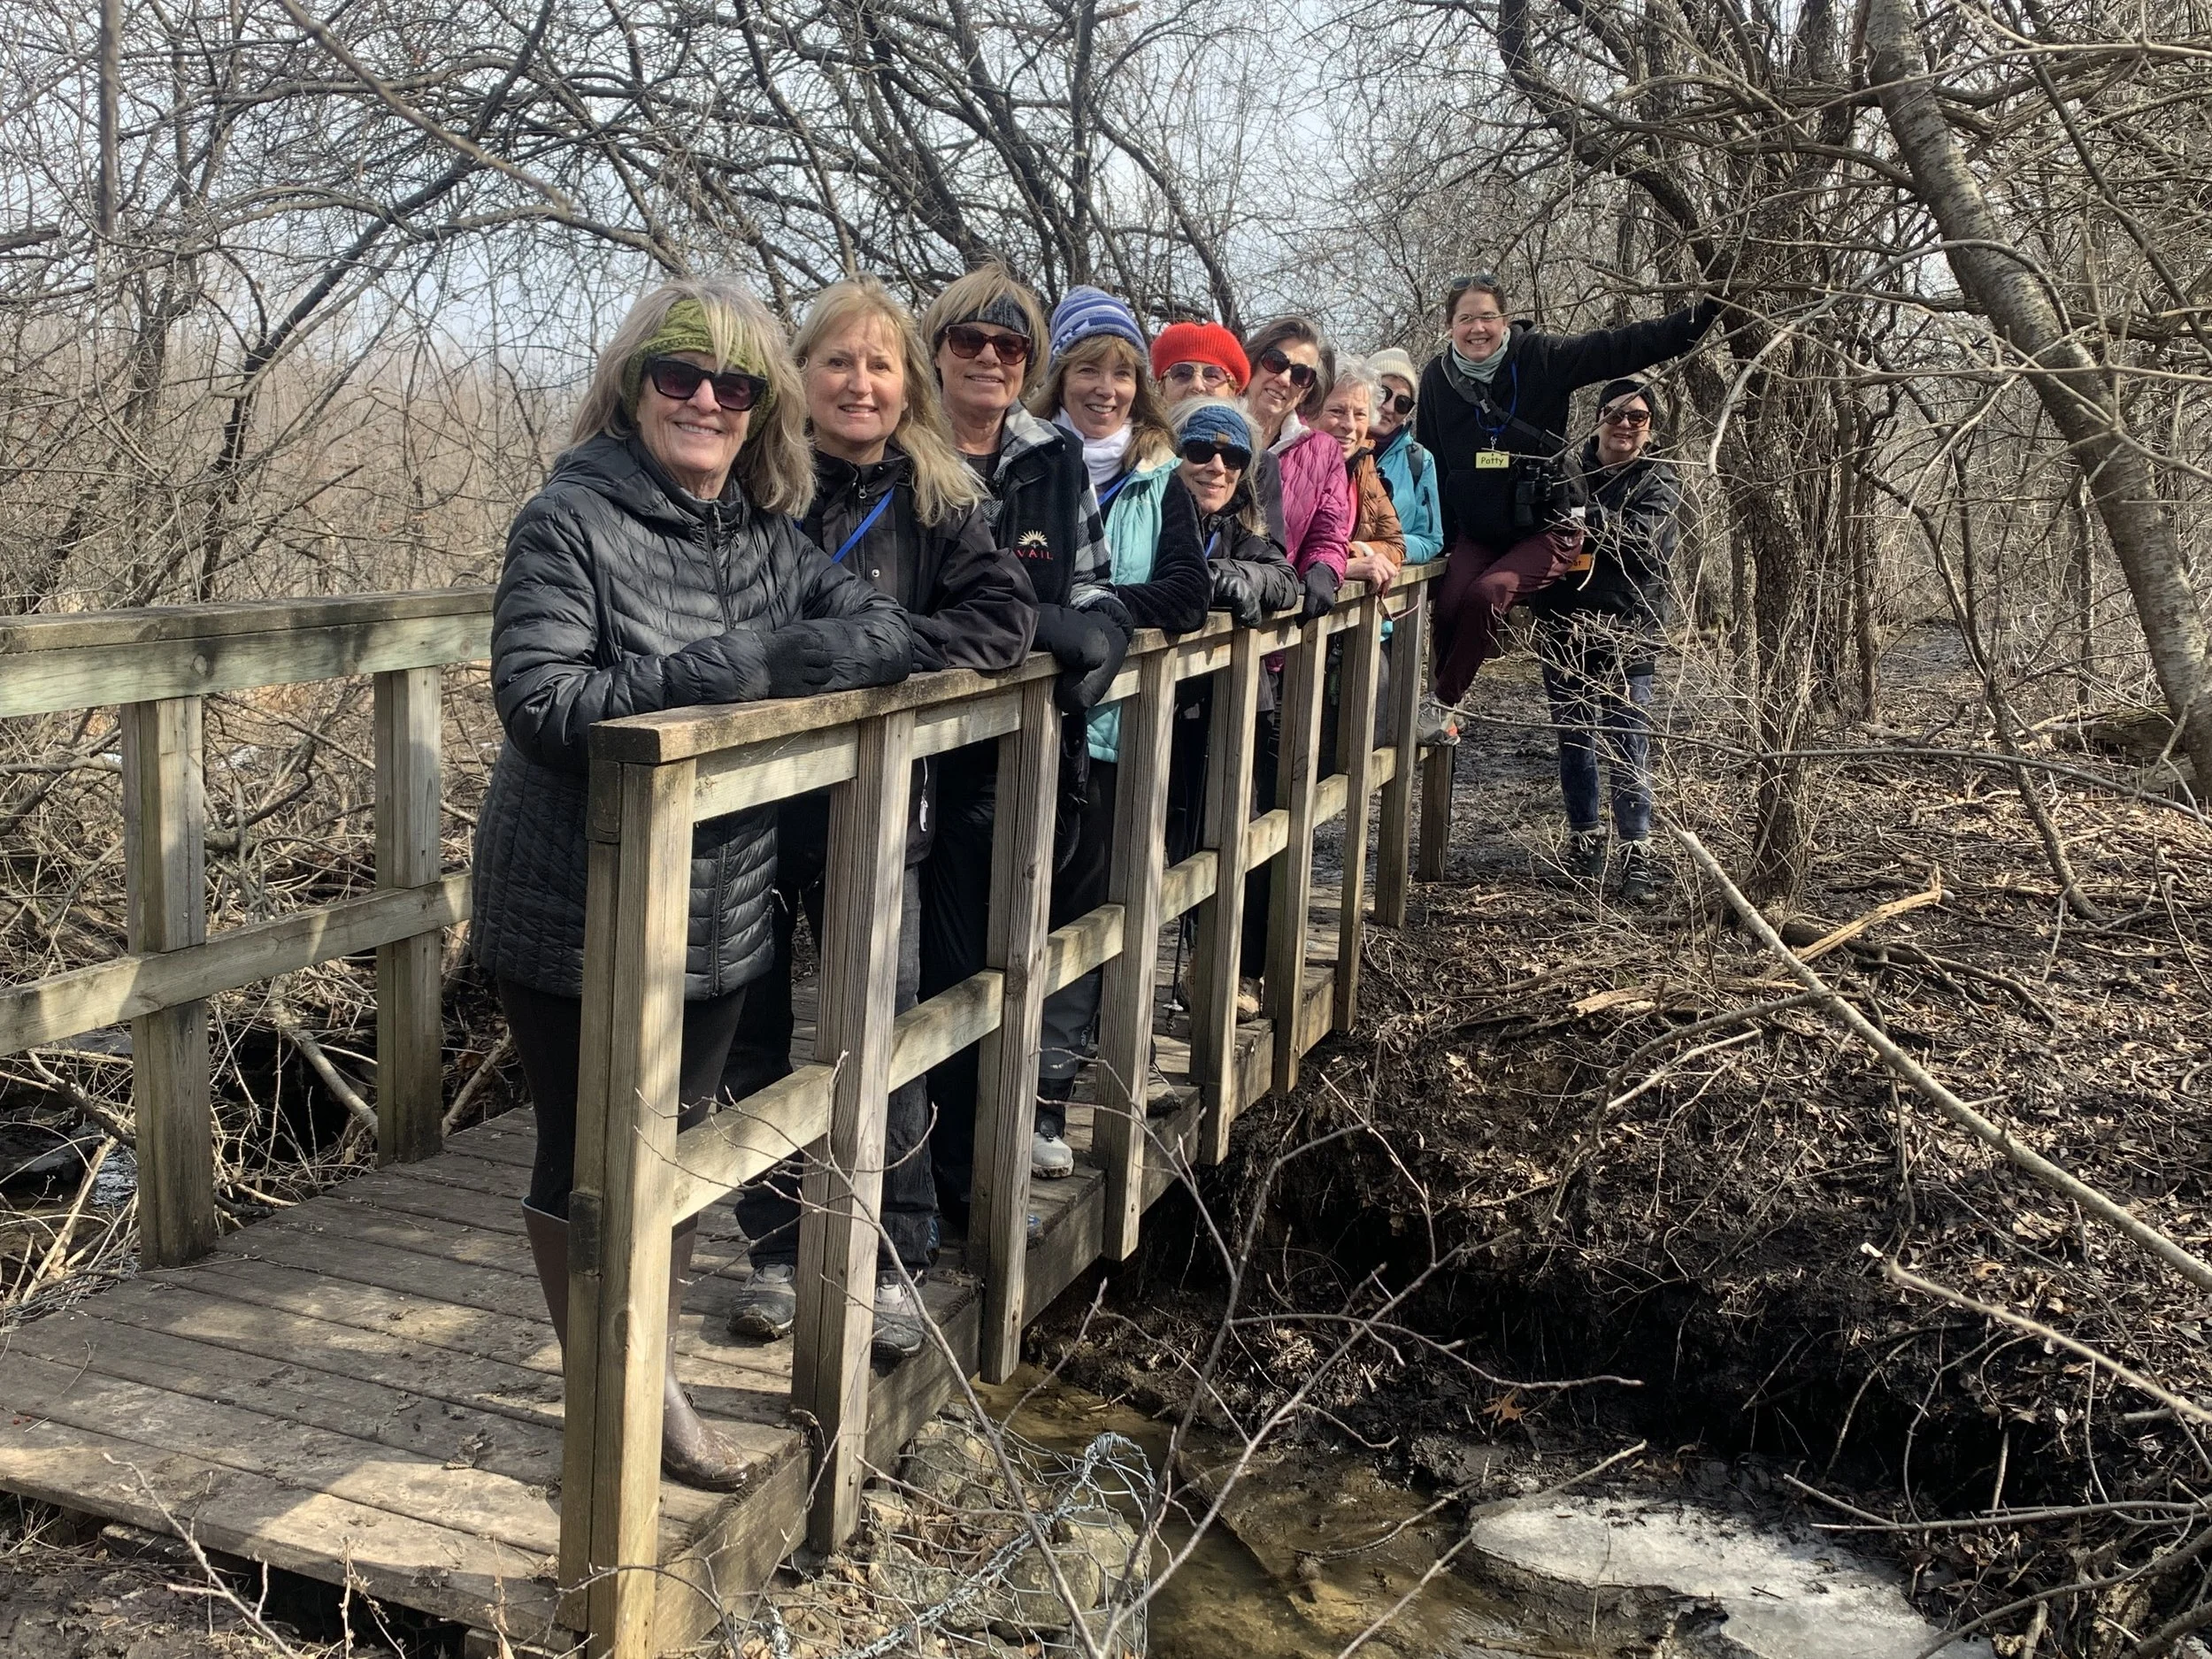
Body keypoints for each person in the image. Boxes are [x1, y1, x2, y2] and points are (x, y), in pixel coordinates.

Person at [472, 278, 912, 1489]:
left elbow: (880, 630)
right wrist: (745, 665)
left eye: (735, 385)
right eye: (680, 375)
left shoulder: (766, 533)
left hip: (723, 899)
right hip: (575, 897)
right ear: (631, 386)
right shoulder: (567, 520)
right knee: (584, 1156)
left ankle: (634, 1364)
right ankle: (628, 1400)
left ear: (762, 409)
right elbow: (546, 700)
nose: (707, 401)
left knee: (673, 1157)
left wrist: (812, 650)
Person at [725, 277, 1035, 1356]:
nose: (860, 383)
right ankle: (774, 1250)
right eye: (838, 362)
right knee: (749, 1032)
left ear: (908, 383)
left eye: (880, 364)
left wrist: (881, 653)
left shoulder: (941, 497)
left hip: (880, 811)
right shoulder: (754, 490)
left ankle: (893, 1254)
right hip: (749, 809)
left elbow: (1000, 622)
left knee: (882, 1033)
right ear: (799, 378)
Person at [910, 264, 1129, 1231]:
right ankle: (886, 1209)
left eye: (1012, 347)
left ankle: (965, 1184)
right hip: (903, 759)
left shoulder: (1052, 460)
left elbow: (1094, 594)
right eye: (972, 342)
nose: (992, 360)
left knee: (988, 973)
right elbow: (907, 609)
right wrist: (1036, 628)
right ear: (939, 348)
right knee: (897, 989)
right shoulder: (903, 452)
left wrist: (1096, 643)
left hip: (1017, 763)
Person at [1025, 286, 1210, 1169]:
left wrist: (1094, 606)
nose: (1106, 387)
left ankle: (1046, 1105)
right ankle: (980, 1098)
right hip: (1018, 733)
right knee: (1008, 915)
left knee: (1082, 914)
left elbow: (1185, 593)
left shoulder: (1164, 477)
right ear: (1059, 375)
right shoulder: (1022, 462)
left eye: (1122, 372)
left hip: (1111, 736)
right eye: (1089, 369)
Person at [1415, 273, 1720, 707]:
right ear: (1450, 326)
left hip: (1546, 527)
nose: (1477, 328)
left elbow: (1620, 347)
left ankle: (1443, 702)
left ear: (1505, 320)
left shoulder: (1541, 357)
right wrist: (1437, 539)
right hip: (1480, 531)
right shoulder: (1438, 377)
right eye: (1466, 318)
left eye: (1487, 316)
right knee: (1447, 605)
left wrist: (1701, 315)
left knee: (1487, 596)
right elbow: (1430, 461)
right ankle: (1442, 709)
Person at [1237, 317, 1354, 1009]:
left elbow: (1333, 530)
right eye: (1276, 361)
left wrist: (1324, 573)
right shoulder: (1200, 426)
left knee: (1259, 814)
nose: (1284, 378)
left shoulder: (1317, 454)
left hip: (1272, 662)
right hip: (1190, 655)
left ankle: (1240, 968)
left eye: (1302, 372)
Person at [1526, 378, 1678, 902]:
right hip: (1564, 627)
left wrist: (1590, 519)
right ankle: (1585, 843)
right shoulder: (1564, 468)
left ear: (1650, 428)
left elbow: (1647, 547)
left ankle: (1637, 851)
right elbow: (1536, 530)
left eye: (1637, 417)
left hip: (1628, 630)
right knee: (1575, 741)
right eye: (1615, 414)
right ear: (1597, 419)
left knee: (1628, 742)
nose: (1625, 425)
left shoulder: (1659, 480)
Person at [1162, 396, 1300, 879]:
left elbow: (1285, 578)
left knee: (1227, 849)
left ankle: (1222, 953)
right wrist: (1196, 577)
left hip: (1229, 708)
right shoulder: (1148, 517)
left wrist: (1233, 573)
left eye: (1234, 458)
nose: (1217, 467)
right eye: (1199, 450)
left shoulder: (1238, 527)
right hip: (1156, 709)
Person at [1312, 357, 1405, 776]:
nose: (1348, 424)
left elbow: (1396, 543)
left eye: (1359, 414)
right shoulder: (1297, 460)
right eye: (1336, 410)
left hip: (1341, 625)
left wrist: (1362, 551)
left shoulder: (1363, 464)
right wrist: (1348, 560)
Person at [1368, 346, 1455, 746]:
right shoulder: (1332, 440)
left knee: (1378, 722)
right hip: (1326, 603)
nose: (1389, 407)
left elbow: (1433, 538)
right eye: (1382, 393)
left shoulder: (1420, 461)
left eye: (1402, 402)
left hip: (1388, 614)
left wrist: (1389, 551)